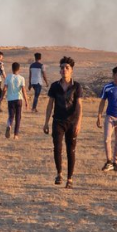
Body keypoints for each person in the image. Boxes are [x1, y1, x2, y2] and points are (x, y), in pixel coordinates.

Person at [43, 56, 82, 189]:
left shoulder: (76, 86)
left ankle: (70, 178)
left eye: (67, 68)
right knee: (57, 148)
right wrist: (46, 122)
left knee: (70, 150)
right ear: (59, 71)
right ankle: (59, 173)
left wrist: (78, 123)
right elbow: (50, 105)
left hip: (71, 123)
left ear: (71, 70)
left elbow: (79, 106)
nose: (64, 70)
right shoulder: (54, 86)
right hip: (58, 121)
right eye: (62, 68)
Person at [3, 62, 29, 139]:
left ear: (12, 68)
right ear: (19, 69)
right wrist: (26, 101)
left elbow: (4, 89)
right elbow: (24, 91)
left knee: (11, 116)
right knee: (18, 117)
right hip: (19, 99)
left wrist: (1, 97)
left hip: (10, 100)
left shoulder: (8, 77)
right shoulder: (21, 78)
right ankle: (16, 135)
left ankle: (9, 125)